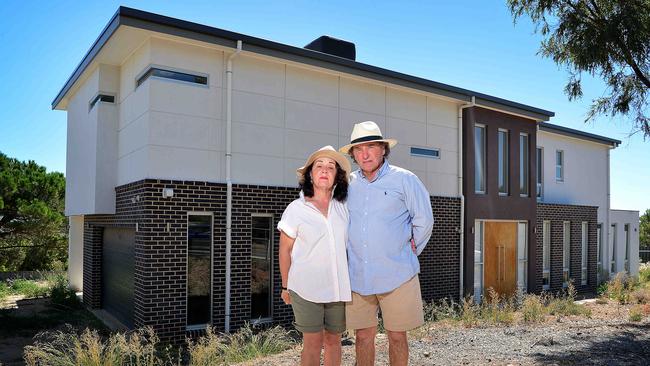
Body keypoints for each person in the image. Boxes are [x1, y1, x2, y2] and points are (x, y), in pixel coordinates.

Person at [339, 121, 434, 366]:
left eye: (371, 146)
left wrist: (409, 251)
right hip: (358, 276)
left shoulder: (405, 180)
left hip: (397, 275)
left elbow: (424, 221)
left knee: (397, 338)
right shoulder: (347, 184)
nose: (365, 154)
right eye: (358, 150)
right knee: (362, 338)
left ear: (383, 149)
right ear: (353, 155)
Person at [277, 145, 352, 366]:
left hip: (337, 289)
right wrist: (285, 285)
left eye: (331, 167)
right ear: (310, 174)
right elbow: (285, 250)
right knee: (312, 342)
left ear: (337, 176)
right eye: (319, 166)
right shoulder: (296, 209)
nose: (325, 170)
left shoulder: (344, 207)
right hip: (305, 288)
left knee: (334, 341)